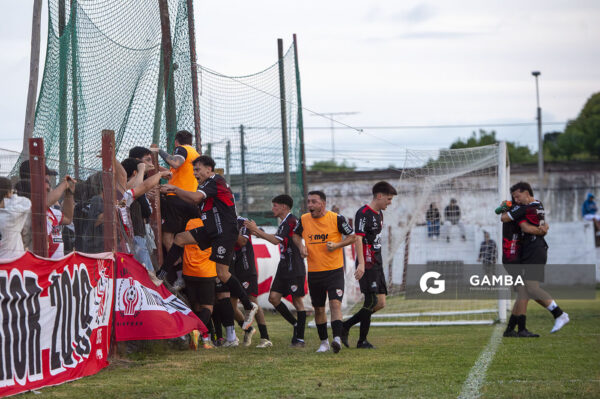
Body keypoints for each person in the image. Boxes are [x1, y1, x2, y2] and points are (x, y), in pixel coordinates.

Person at [158, 155, 259, 330]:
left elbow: (195, 198)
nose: (195, 173)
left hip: (224, 232)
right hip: (212, 229)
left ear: (208, 169)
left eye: (197, 170)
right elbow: (192, 201)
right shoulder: (205, 185)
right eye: (194, 170)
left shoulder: (215, 180)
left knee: (222, 273)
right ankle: (160, 275)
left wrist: (173, 188)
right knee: (180, 238)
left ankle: (249, 306)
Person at [500, 182, 570, 336]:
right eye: (514, 198)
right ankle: (515, 329)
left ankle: (558, 315)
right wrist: (542, 229)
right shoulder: (531, 205)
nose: (516, 200)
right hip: (520, 254)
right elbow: (540, 226)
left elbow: (530, 226)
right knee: (525, 291)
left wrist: (541, 230)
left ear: (526, 192)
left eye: (518, 196)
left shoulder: (527, 207)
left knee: (528, 289)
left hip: (533, 250)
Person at [292, 190, 355, 353]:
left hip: (334, 271)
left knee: (335, 304)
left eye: (314, 202)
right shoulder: (304, 219)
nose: (310, 205)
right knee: (319, 308)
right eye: (309, 202)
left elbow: (352, 237)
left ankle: (336, 339)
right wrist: (301, 246)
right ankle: (324, 342)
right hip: (314, 272)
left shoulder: (336, 218)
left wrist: (337, 245)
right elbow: (296, 236)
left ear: (323, 203)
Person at [245, 194, 307, 348]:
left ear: (284, 207)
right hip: (284, 266)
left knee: (297, 301)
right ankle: (295, 325)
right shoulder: (284, 223)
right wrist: (256, 231)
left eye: (275, 206)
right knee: (274, 298)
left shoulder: (291, 221)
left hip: (294, 266)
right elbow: (278, 237)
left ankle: (300, 338)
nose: (272, 208)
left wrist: (256, 231)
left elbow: (275, 240)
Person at [341, 181, 397, 349]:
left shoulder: (379, 214)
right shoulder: (363, 213)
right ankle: (362, 340)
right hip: (368, 262)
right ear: (379, 196)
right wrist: (362, 265)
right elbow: (358, 238)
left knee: (380, 303)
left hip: (377, 262)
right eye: (388, 199)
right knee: (371, 300)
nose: (390, 202)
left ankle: (347, 325)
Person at [151, 131, 201, 254]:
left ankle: (177, 268)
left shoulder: (182, 149)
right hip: (190, 198)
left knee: (167, 237)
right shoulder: (195, 154)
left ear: (176, 142)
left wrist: (158, 150)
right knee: (180, 237)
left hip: (175, 198)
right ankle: (181, 266)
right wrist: (157, 169)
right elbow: (175, 172)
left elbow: (175, 163)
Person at [230, 216, 272, 348]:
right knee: (230, 305)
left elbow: (242, 241)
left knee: (252, 301)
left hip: (246, 268)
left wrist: (228, 227)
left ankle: (265, 338)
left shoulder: (242, 221)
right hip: (230, 268)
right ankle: (247, 330)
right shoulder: (217, 220)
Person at [182, 218, 217, 349]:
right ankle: (196, 330)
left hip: (189, 270)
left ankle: (205, 339)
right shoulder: (213, 224)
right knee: (208, 308)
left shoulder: (189, 223)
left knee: (196, 307)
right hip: (206, 271)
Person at [0, 177, 31, 259]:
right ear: (8, 193)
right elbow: (26, 202)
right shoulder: (11, 214)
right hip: (13, 262)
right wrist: (13, 195)